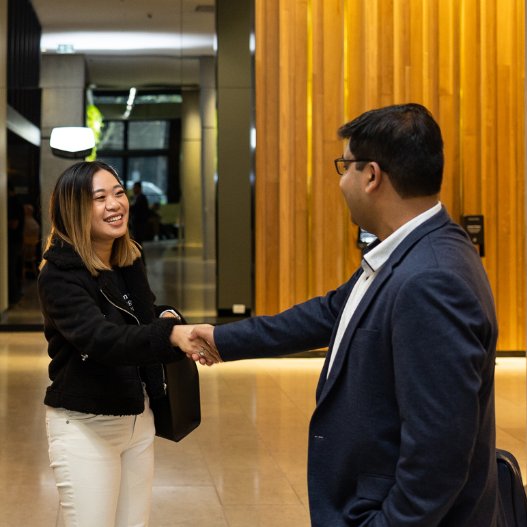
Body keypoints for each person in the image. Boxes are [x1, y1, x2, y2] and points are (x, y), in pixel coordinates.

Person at [188, 104, 500, 526]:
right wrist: (222, 338)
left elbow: (438, 456)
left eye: (345, 166)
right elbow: (332, 311)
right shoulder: (414, 250)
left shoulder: (431, 280)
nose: (341, 180)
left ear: (372, 176)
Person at [38, 161, 202, 527]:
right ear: (73, 209)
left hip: (137, 418)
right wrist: (168, 335)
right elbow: (102, 339)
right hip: (85, 426)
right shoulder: (59, 275)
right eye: (99, 198)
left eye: (118, 193)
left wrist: (171, 320)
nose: (115, 204)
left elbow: (143, 318)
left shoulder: (127, 259)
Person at [7, 181, 25, 303]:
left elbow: (14, 224)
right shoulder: (17, 203)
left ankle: (13, 296)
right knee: (13, 267)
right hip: (17, 240)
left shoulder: (13, 203)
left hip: (13, 241)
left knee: (11, 268)